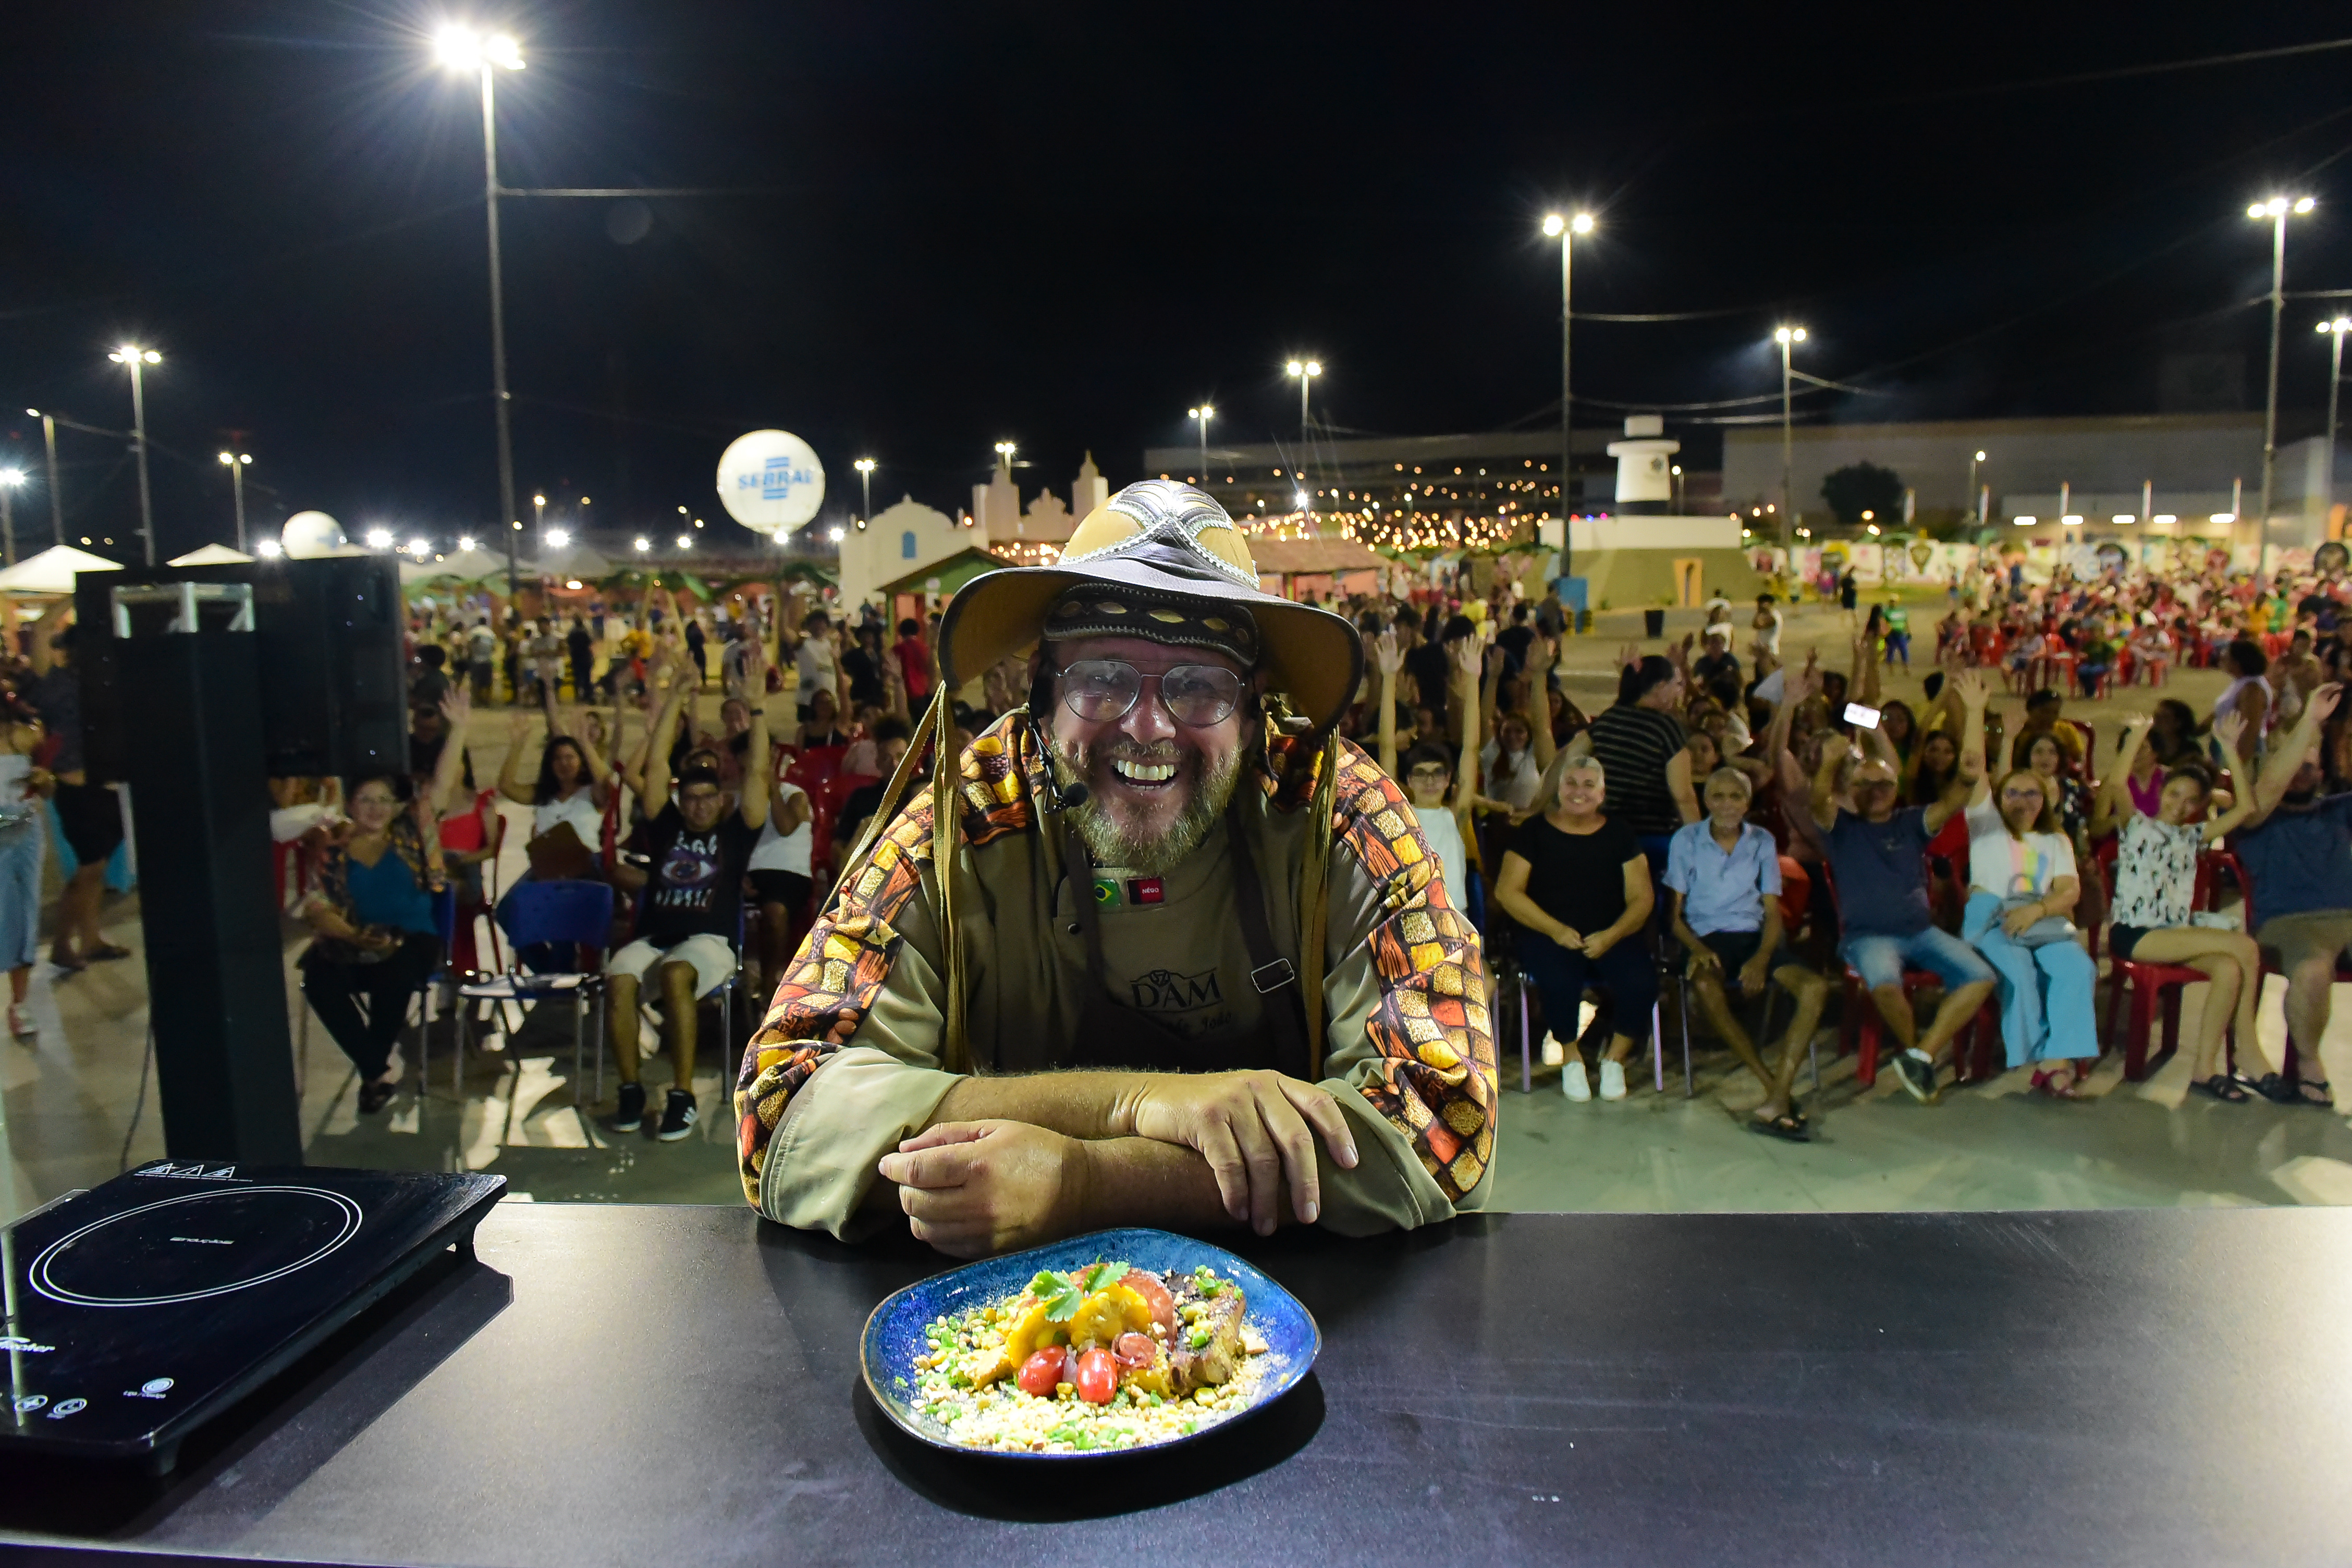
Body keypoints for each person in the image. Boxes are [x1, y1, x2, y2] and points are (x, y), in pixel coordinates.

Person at [737, 481, 1493, 1256]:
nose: (1148, 727)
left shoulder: (1336, 815)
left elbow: (1445, 1119)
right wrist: (1137, 1103)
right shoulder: (967, 820)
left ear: (1258, 705)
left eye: (1199, 686)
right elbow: (782, 1108)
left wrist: (1089, 1183)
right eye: (1103, 678)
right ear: (1040, 692)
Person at [1802, 670, 1998, 1101]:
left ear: (1897, 787)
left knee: (1981, 976)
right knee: (1887, 988)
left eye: (1884, 783)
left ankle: (1920, 1057)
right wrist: (1834, 758)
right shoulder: (1843, 827)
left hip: (1921, 932)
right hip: (1869, 937)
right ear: (1852, 789)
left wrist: (1975, 713)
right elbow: (1817, 799)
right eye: (1866, 783)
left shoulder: (1913, 823)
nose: (1876, 790)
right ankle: (1916, 1055)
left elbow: (1962, 788)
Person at [606, 647, 771, 1142]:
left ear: (721, 799)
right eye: (690, 797)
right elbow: (655, 765)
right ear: (681, 800)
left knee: (678, 973)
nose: (698, 805)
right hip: (656, 935)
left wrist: (757, 709)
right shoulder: (665, 826)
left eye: (707, 797)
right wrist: (675, 698)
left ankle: (682, 1095)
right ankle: (631, 1088)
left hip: (710, 942)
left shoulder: (737, 831)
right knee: (617, 979)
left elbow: (758, 773)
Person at [2091, 709, 2275, 1100]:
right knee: (2245, 947)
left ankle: (2204, 1070)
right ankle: (2248, 1048)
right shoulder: (2138, 825)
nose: (2180, 803)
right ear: (2161, 790)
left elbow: (2245, 808)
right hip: (2137, 934)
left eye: (2191, 800)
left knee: (2228, 968)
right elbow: (2118, 783)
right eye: (2175, 793)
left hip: (2175, 933)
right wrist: (2138, 736)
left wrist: (2229, 751)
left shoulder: (2194, 836)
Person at [1664, 766, 1828, 1138]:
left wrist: (1762, 958)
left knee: (1814, 988)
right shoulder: (1686, 840)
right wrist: (1697, 949)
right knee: (1706, 988)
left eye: (1736, 796)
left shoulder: (1762, 841)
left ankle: (1777, 1093)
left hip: (1755, 937)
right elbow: (1673, 918)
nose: (1727, 805)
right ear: (1706, 801)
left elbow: (1772, 912)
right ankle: (1774, 1088)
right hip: (1708, 938)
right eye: (1718, 796)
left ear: (1747, 802)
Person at [1958, 699, 2100, 1099]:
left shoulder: (2056, 840)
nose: (2023, 800)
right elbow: (1973, 768)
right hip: (1993, 919)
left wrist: (2036, 909)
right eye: (2014, 793)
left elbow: (2069, 890)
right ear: (2000, 799)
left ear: (2047, 800)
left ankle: (2055, 1060)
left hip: (2043, 920)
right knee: (2020, 971)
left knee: (2078, 968)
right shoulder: (1986, 827)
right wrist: (1975, 713)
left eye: (2033, 794)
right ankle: (2046, 1060)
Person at [1495, 757, 1655, 1102]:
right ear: (1558, 789)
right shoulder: (1534, 832)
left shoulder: (1620, 834)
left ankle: (1615, 1059)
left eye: (1588, 785)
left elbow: (1642, 898)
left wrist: (1612, 935)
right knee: (1558, 980)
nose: (1578, 792)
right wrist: (1555, 930)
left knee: (1641, 980)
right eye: (1571, 783)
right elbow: (1507, 892)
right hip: (1549, 932)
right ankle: (1571, 1057)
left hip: (1612, 933)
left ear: (1601, 793)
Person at [2223, 682, 2352, 1106]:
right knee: (2314, 970)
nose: (2302, 771)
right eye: (2294, 764)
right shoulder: (2253, 818)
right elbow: (2269, 788)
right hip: (2292, 925)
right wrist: (2309, 724)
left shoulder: (2337, 809)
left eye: (2310, 764)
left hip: (2347, 920)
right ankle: (2311, 1067)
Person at [298, 773, 450, 1113]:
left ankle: (372, 1077)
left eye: (383, 800)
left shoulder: (411, 836)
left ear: (396, 808)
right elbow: (320, 905)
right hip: (355, 937)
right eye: (366, 800)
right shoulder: (333, 851)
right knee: (319, 979)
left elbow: (438, 793)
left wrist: (456, 729)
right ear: (350, 806)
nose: (375, 808)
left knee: (395, 976)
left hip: (412, 936)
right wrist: (352, 935)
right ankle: (376, 1070)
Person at [27, 608, 125, 972]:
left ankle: (87, 939)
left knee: (92, 872)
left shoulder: (97, 683)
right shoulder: (54, 683)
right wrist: (73, 597)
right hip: (78, 789)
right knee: (88, 870)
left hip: (99, 788)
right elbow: (38, 629)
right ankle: (65, 944)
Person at [1376, 628, 1479, 914]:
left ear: (1449, 780)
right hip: (1412, 921)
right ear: (1408, 780)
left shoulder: (1456, 815)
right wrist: (1388, 678)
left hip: (1455, 922)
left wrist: (1473, 680)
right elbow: (1387, 748)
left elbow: (1471, 748)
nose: (1430, 780)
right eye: (1421, 773)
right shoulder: (1399, 813)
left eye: (1438, 773)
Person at [1579, 651, 1697, 861]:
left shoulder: (1607, 720)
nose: (1677, 694)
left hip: (1607, 833)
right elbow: (1683, 796)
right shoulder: (1665, 728)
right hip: (1653, 839)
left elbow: (1570, 758)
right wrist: (1699, 842)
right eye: (1675, 686)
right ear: (1660, 687)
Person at [0, 685, 51, 1039]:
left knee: (25, 910)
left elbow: (46, 789)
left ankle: (20, 1004)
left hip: (25, 830)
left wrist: (43, 780)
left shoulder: (23, 735)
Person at [794, 610, 840, 724]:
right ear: (809, 626)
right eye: (815, 623)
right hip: (807, 699)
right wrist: (784, 609)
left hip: (829, 699)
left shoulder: (831, 644)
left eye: (822, 622)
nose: (819, 626)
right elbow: (785, 633)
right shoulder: (803, 643)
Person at [895, 616, 935, 715]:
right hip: (924, 689)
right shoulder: (925, 648)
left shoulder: (898, 649)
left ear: (901, 632)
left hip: (907, 689)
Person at [567, 617, 594, 701]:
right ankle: (588, 696)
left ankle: (578, 695)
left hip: (576, 657)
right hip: (586, 657)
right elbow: (590, 643)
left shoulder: (572, 632)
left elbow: (569, 644)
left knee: (577, 678)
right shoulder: (585, 632)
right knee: (587, 678)